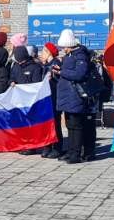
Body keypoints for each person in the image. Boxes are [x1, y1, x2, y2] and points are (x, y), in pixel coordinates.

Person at [54, 29, 98, 163]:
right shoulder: (70, 56)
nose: (63, 49)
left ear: (70, 45)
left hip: (76, 96)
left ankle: (76, 154)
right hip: (68, 96)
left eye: (64, 46)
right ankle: (71, 151)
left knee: (76, 126)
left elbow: (79, 74)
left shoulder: (80, 56)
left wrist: (62, 72)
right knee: (70, 125)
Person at [38, 42, 63, 158]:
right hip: (46, 99)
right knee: (47, 124)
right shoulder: (45, 65)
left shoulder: (56, 63)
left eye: (43, 51)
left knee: (55, 124)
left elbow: (59, 79)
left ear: (49, 53)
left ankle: (57, 148)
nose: (41, 54)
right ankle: (47, 146)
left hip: (54, 98)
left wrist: (53, 76)